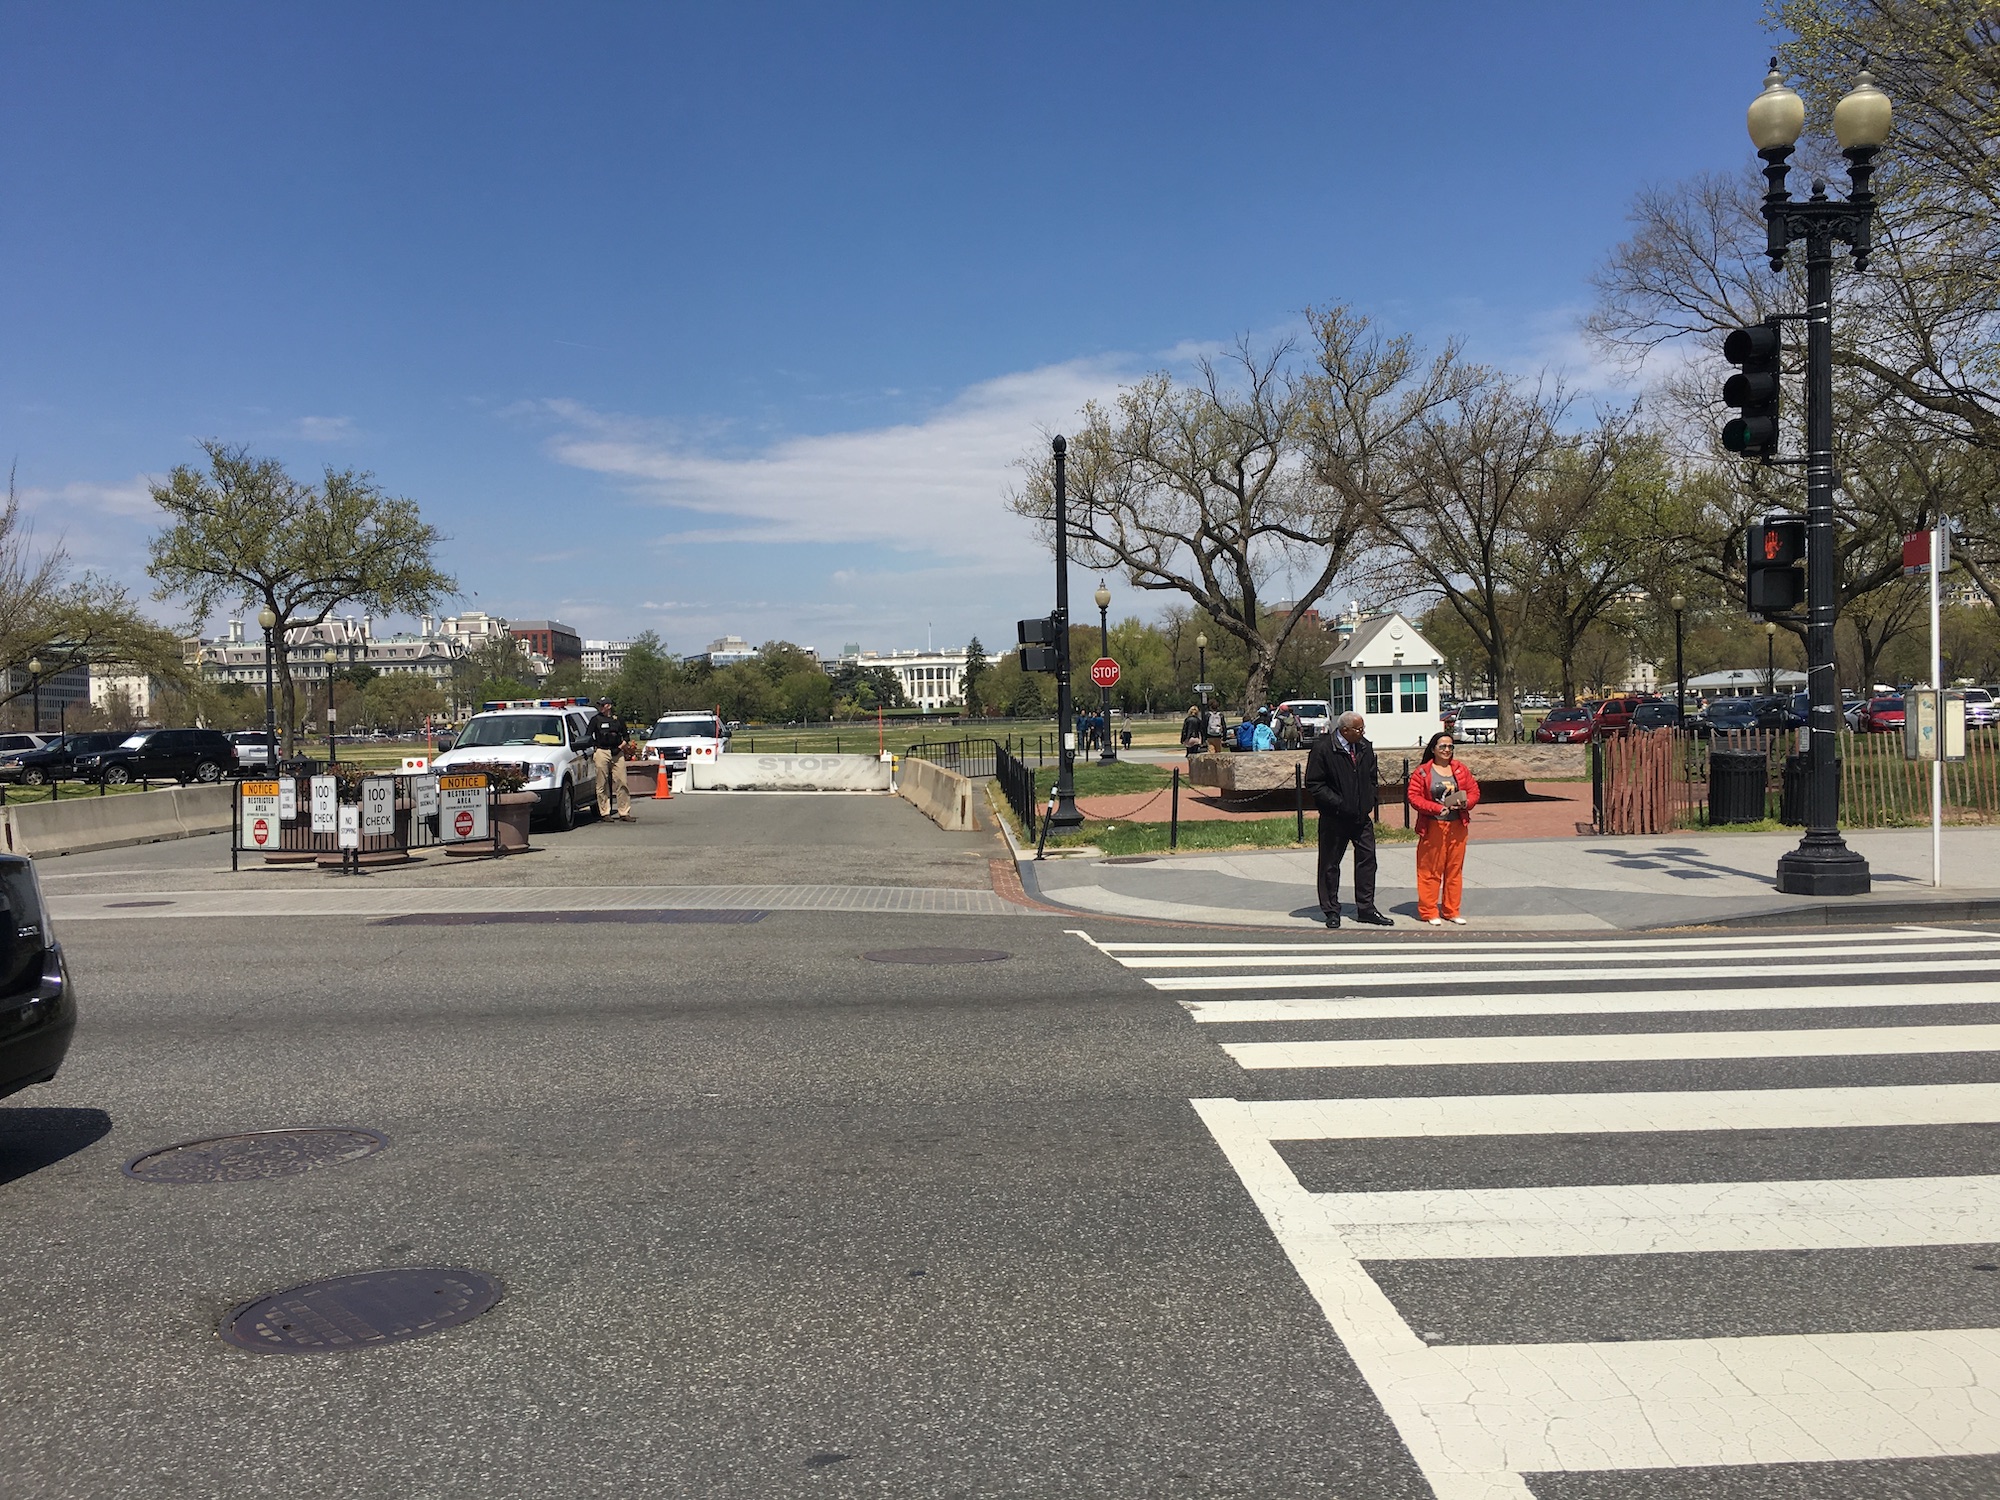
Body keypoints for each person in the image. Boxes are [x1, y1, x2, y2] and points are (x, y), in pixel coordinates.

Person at [1303, 710, 1391, 929]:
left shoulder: (1364, 747)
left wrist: (1369, 800)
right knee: (1330, 865)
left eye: (1363, 729)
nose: (1362, 733)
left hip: (1361, 817)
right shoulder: (1324, 748)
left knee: (1367, 861)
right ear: (1344, 730)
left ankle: (1366, 908)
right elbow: (1314, 783)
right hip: (1334, 818)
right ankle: (1331, 910)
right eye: (1358, 729)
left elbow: (1372, 777)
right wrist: (1338, 803)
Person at [1407, 730, 1481, 926]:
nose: (1447, 750)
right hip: (1433, 826)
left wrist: (1465, 804)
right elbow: (1414, 797)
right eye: (1442, 746)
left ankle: (1451, 910)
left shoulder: (1460, 769)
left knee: (1454, 870)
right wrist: (1436, 808)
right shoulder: (1423, 772)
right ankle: (1429, 911)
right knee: (1430, 870)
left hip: (1458, 825)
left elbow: (1473, 791)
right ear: (1433, 749)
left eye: (1450, 746)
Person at [590, 696, 634, 822]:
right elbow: (588, 736)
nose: (600, 707)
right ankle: (605, 812)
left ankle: (624, 812)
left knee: (622, 782)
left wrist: (620, 747)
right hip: (602, 751)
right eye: (599, 705)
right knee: (601, 783)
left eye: (602, 705)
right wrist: (595, 746)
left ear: (609, 706)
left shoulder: (618, 719)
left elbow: (626, 737)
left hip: (617, 752)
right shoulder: (596, 720)